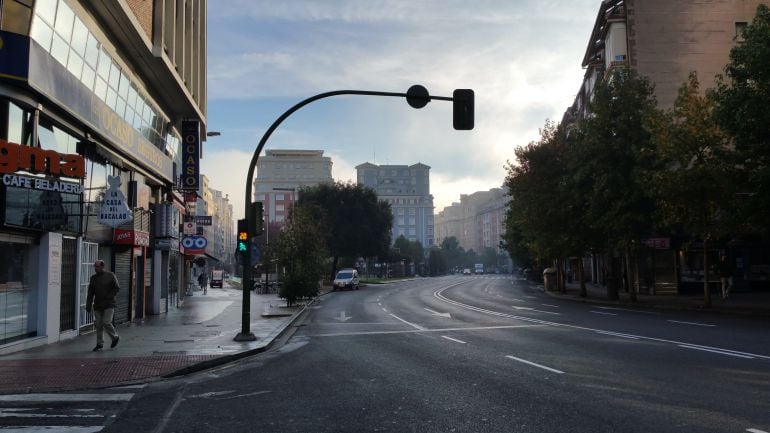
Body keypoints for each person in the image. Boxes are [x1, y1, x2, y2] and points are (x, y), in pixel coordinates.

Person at [85, 260, 120, 352]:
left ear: (102, 266)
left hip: (109, 303)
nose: (95, 269)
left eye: (97, 267)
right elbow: (90, 293)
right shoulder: (93, 278)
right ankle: (99, 344)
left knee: (106, 322)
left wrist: (109, 297)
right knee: (98, 325)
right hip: (98, 304)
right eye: (95, 267)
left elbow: (116, 288)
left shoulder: (110, 275)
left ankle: (115, 337)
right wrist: (88, 305)